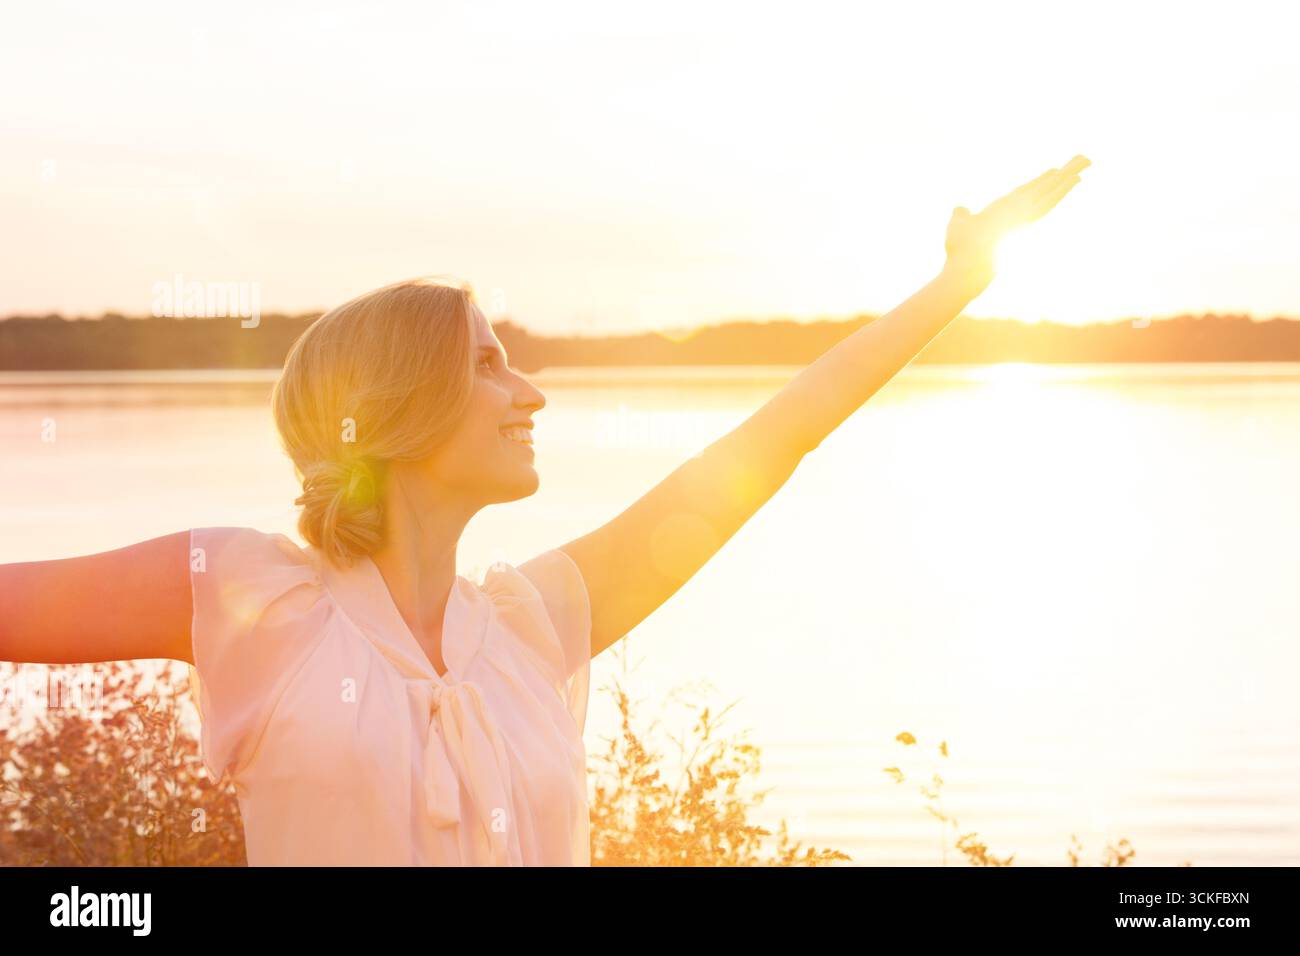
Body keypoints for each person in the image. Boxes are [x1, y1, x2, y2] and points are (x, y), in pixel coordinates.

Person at [0, 155, 1091, 865]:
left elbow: (769, 444)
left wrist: (957, 284)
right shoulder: (250, 595)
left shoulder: (532, 625)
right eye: (489, 365)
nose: (531, 392)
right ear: (399, 405)